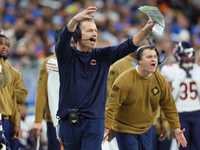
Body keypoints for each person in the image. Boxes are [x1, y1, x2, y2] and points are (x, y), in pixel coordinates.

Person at [55, 6, 156, 150]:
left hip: (94, 121)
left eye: (96, 31)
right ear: (77, 34)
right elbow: (63, 40)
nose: (94, 34)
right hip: (68, 121)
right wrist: (74, 20)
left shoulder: (102, 56)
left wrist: (145, 31)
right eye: (90, 30)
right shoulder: (66, 55)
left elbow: (128, 46)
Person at [103, 45, 187, 150]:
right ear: (139, 61)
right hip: (125, 128)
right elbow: (112, 106)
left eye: (155, 56)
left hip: (147, 127)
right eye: (149, 57)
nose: (153, 59)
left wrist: (176, 128)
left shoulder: (160, 79)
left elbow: (169, 105)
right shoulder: (124, 80)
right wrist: (106, 129)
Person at [161, 41, 200, 150]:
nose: (188, 58)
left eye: (190, 55)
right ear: (178, 56)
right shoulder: (169, 69)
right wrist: (177, 82)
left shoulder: (198, 69)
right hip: (180, 113)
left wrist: (198, 83)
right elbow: (168, 99)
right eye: (184, 55)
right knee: (183, 146)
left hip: (198, 112)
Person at [0, 32, 28, 150]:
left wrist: (16, 123)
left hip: (7, 120)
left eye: (7, 45)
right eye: (0, 44)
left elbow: (20, 98)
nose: (4, 47)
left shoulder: (14, 73)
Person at [33, 53, 60, 150]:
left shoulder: (82, 58)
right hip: (54, 119)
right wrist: (38, 120)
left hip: (78, 118)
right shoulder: (50, 62)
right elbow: (41, 93)